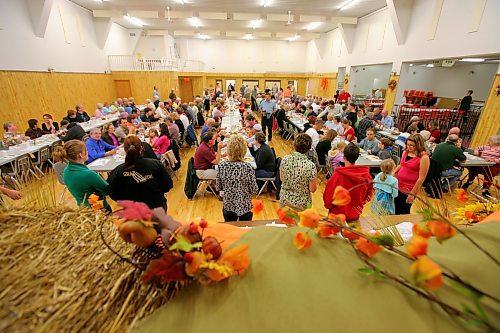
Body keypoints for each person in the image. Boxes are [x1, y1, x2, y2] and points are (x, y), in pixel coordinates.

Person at [108, 135, 173, 211]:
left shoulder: (118, 171)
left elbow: (112, 193)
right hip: (156, 206)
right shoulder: (155, 164)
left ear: (125, 150)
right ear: (142, 148)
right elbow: (168, 185)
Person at [323, 143, 373, 222]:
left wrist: (330, 207)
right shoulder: (367, 176)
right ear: (357, 157)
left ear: (344, 157)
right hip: (355, 215)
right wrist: (359, 204)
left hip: (337, 216)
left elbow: (328, 197)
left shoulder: (337, 176)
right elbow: (369, 195)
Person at [52, 140, 108, 207]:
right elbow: (107, 191)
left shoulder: (66, 171)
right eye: (86, 150)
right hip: (99, 209)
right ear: (81, 155)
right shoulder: (88, 174)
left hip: (82, 208)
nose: (88, 152)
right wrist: (104, 178)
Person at [216, 135, 258, 221]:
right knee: (245, 231)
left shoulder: (222, 166)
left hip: (229, 204)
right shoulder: (248, 167)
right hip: (245, 205)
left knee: (230, 231)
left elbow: (219, 187)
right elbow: (254, 189)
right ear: (244, 150)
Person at [393, 134, 430, 214]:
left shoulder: (424, 158)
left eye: (412, 145)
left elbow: (421, 178)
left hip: (409, 189)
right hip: (398, 185)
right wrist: (394, 172)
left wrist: (412, 193)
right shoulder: (406, 152)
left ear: (418, 145)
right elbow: (401, 164)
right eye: (407, 144)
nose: (409, 147)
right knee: (395, 209)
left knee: (404, 210)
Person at [279, 133, 317, 210]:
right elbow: (312, 189)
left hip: (284, 200)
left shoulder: (285, 159)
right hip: (302, 204)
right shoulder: (310, 166)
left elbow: (282, 179)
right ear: (309, 148)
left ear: (294, 145)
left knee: (284, 222)